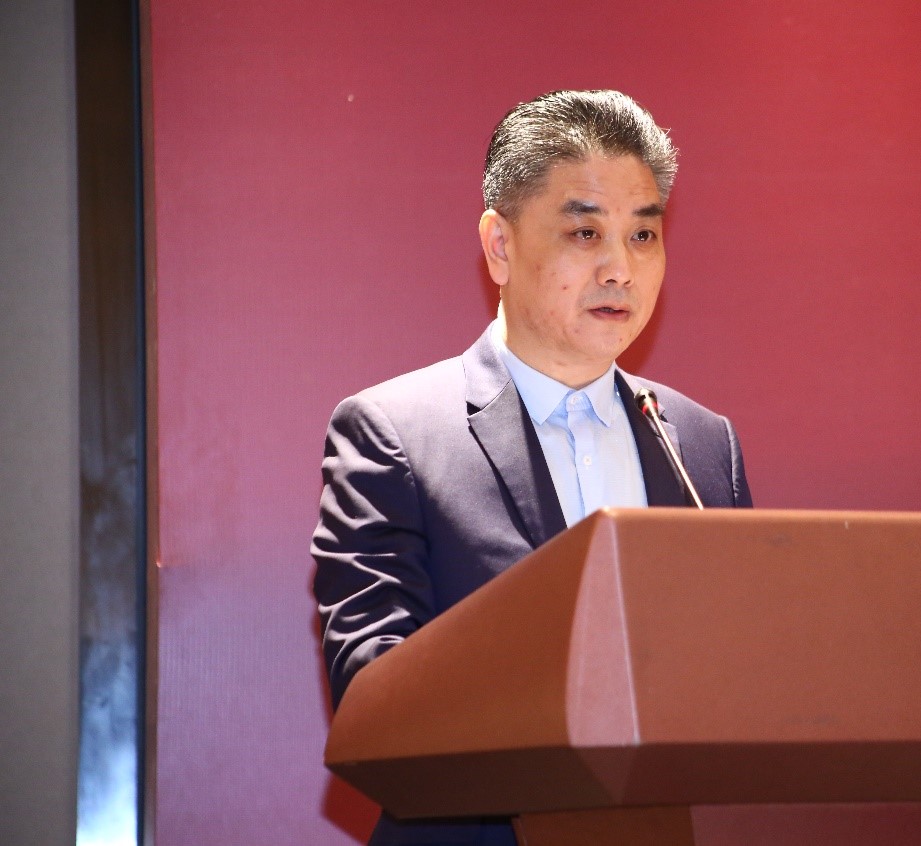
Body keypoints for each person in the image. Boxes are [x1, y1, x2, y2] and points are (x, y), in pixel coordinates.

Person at [312, 89, 753, 846]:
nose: (621, 268)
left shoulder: (701, 445)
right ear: (500, 246)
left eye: (643, 235)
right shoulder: (394, 433)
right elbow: (371, 695)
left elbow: (746, 669)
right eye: (585, 232)